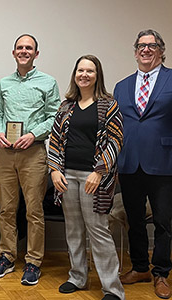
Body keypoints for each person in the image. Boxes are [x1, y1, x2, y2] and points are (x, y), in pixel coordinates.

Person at [48, 55, 125, 300]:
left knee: (99, 230)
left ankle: (112, 288)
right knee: (73, 230)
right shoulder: (66, 106)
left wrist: (99, 171)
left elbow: (115, 140)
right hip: (66, 176)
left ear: (97, 75)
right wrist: (55, 170)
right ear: (75, 75)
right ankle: (77, 277)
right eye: (80, 70)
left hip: (94, 177)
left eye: (89, 71)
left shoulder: (108, 105)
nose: (84, 74)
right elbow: (56, 140)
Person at [0, 34, 60, 285]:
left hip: (34, 153)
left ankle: (33, 262)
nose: (24, 51)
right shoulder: (4, 83)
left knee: (34, 210)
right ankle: (7, 257)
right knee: (6, 209)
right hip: (6, 153)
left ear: (36, 54)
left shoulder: (48, 82)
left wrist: (33, 134)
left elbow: (54, 117)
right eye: (20, 47)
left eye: (28, 48)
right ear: (13, 52)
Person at [114, 29, 172, 300]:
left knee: (163, 221)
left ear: (161, 50)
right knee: (134, 220)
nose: (146, 50)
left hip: (163, 163)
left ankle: (161, 272)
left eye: (152, 45)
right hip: (129, 163)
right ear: (135, 51)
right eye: (141, 46)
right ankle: (140, 268)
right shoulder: (122, 86)